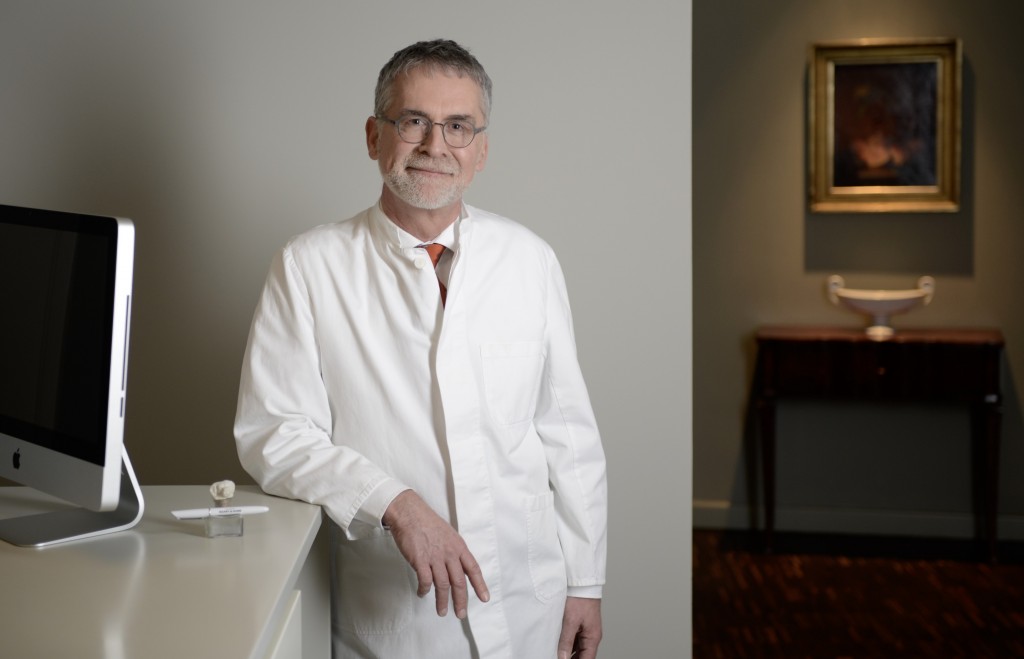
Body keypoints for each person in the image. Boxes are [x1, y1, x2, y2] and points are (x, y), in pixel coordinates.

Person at [234, 39, 607, 659]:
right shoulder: (308, 266)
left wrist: (586, 582)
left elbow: (569, 437)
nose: (436, 146)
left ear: (481, 149)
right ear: (374, 135)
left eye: (458, 126)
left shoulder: (530, 261)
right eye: (414, 122)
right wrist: (396, 503)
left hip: (528, 607)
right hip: (398, 618)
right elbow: (274, 434)